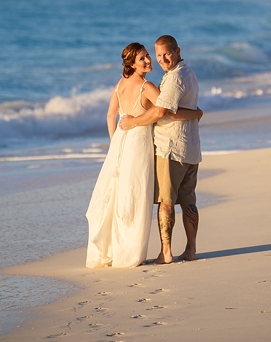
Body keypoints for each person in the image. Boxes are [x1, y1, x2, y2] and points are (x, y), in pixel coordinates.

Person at [86, 43, 202, 268]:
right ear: (131, 63)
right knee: (136, 196)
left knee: (120, 195)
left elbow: (111, 116)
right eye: (143, 58)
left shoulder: (119, 85)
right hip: (140, 143)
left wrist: (115, 143)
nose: (149, 60)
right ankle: (133, 252)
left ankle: (117, 250)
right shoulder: (147, 86)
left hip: (122, 141)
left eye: (149, 56)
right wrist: (197, 113)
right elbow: (165, 111)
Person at [120, 35, 202, 264]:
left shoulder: (175, 78)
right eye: (158, 55)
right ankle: (191, 250)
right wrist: (197, 114)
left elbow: (161, 111)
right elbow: (179, 110)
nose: (162, 59)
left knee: (166, 201)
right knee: (188, 200)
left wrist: (133, 122)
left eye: (166, 53)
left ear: (177, 51)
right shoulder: (189, 73)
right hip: (192, 148)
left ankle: (165, 252)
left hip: (171, 147)